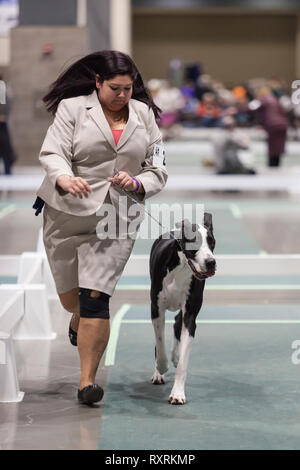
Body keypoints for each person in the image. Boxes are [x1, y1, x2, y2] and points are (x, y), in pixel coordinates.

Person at [33, 50, 168, 405]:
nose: (122, 95)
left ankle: (87, 382)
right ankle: (76, 315)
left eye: (127, 89)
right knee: (71, 299)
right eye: (114, 88)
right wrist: (64, 176)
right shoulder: (73, 108)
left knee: (96, 298)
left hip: (117, 218)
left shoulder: (145, 116)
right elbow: (53, 152)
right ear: (97, 83)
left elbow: (158, 169)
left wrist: (138, 184)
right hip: (67, 211)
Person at [249, 86, 289, 167]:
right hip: (282, 124)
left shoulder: (263, 100)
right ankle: (276, 164)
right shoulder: (275, 100)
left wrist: (238, 109)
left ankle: (272, 165)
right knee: (279, 146)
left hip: (272, 125)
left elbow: (251, 108)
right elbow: (283, 111)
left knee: (272, 146)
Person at [0, 74, 17, 174]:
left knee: (6, 149)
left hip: (2, 122)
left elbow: (6, 103)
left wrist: (3, 115)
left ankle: (8, 171)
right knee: (6, 149)